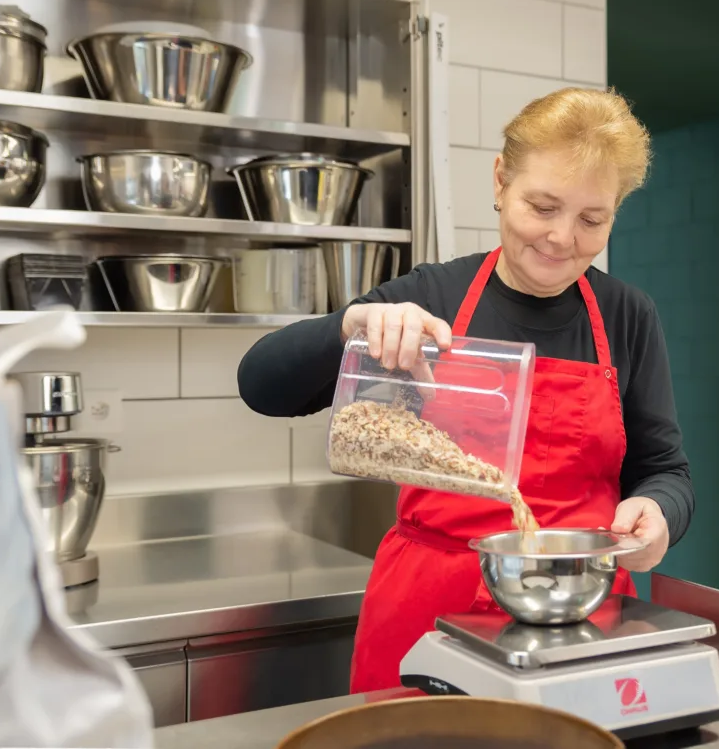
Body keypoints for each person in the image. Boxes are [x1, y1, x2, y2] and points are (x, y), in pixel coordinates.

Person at [238, 87, 694, 693]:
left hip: (578, 609)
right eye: (542, 206)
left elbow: (665, 470)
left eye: (592, 220)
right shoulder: (430, 298)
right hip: (428, 609)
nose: (562, 238)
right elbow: (261, 385)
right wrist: (349, 326)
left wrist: (660, 514)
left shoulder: (626, 315)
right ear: (501, 181)